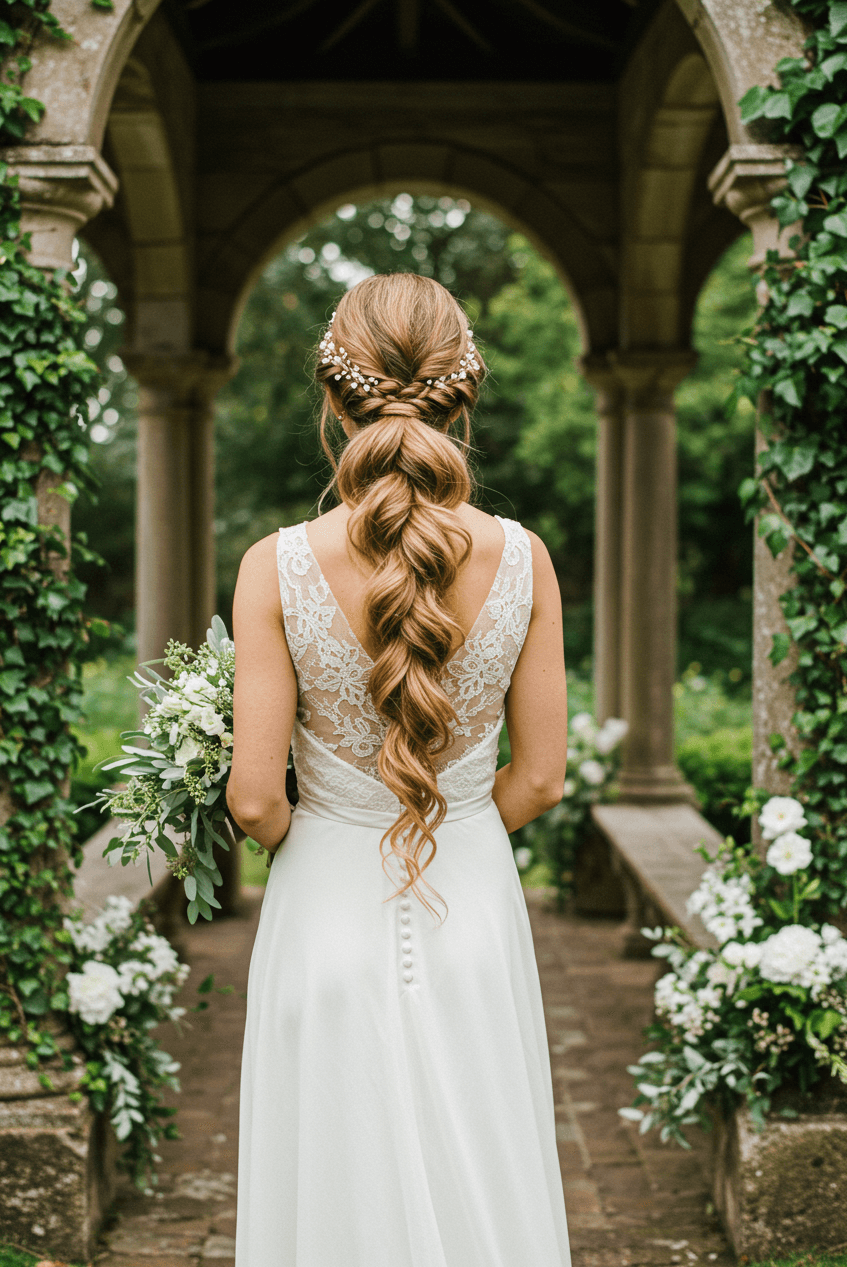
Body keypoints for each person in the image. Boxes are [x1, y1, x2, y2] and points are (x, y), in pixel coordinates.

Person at [227, 272, 571, 1266]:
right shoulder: (524, 558)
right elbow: (540, 777)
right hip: (472, 909)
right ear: (463, 394)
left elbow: (253, 798)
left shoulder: (274, 563)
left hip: (320, 917)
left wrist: (331, 829)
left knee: (331, 1186)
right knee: (485, 1173)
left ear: (335, 400)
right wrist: (452, 820)